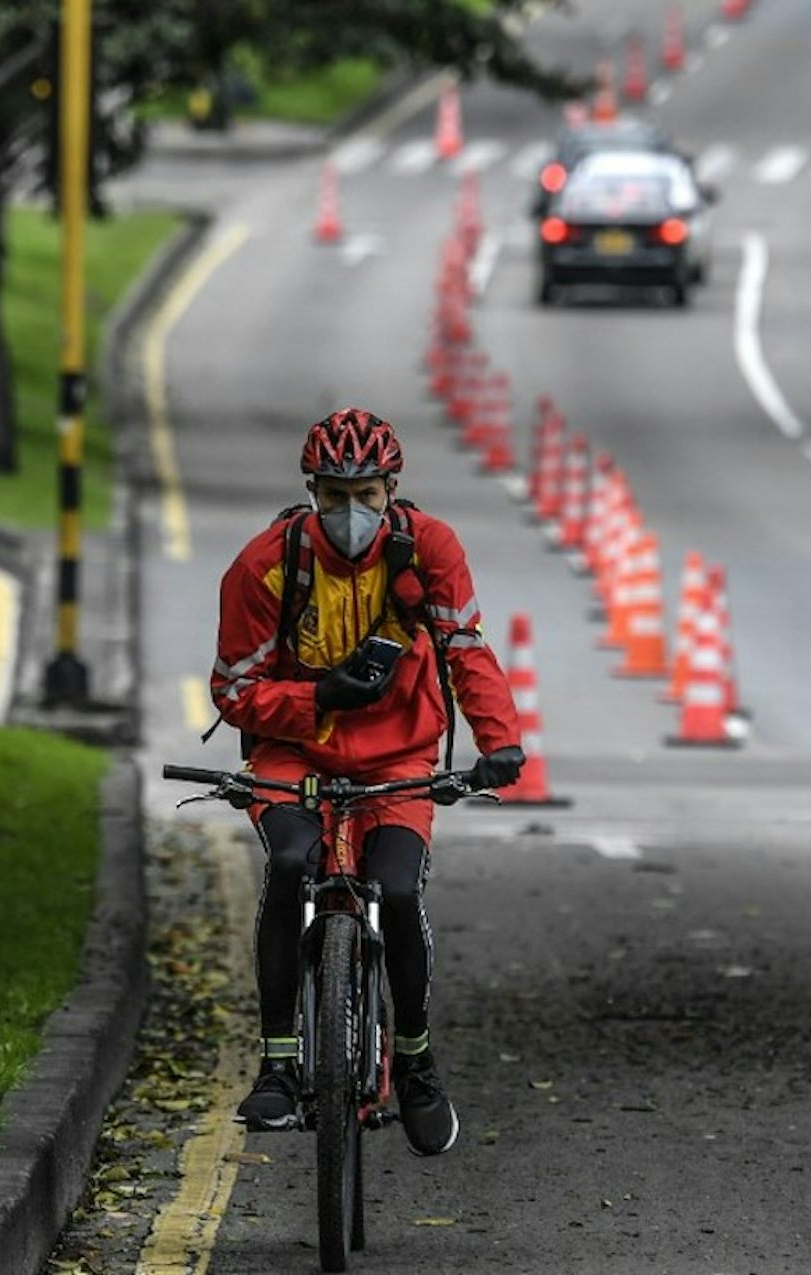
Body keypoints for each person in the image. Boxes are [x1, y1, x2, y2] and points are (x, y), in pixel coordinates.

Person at [209, 407, 525, 1154]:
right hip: (296, 751)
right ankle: (281, 1065)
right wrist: (318, 697)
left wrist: (501, 742)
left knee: (403, 889)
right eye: (334, 495)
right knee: (289, 864)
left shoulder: (430, 549)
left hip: (398, 757)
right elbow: (231, 690)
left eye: (368, 496)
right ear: (311, 491)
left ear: (393, 490)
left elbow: (466, 649)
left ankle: (416, 1058)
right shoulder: (264, 565)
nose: (352, 512)